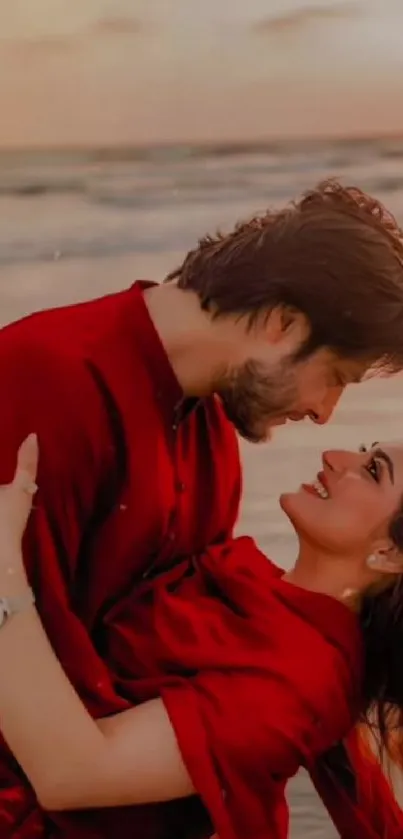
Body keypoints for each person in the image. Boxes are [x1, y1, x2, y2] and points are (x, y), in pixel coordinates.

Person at [1, 179, 403, 838]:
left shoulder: (209, 439)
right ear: (283, 323)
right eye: (334, 376)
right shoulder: (42, 381)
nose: (321, 415)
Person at [1, 436, 403, 839]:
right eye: (363, 449)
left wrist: (5, 568)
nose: (334, 456)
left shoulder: (296, 686)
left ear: (389, 555)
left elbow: (71, 774)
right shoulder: (249, 580)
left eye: (372, 471)